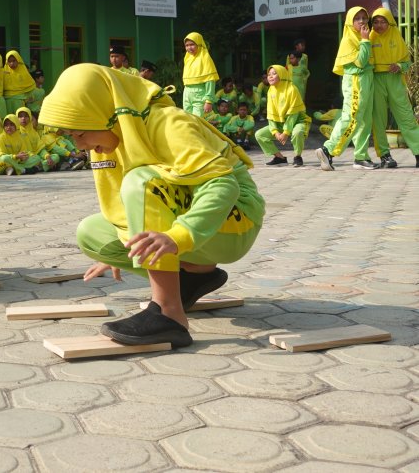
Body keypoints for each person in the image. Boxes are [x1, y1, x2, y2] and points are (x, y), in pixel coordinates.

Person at [39, 64, 264, 348]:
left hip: (237, 219)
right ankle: (192, 277)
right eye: (72, 136)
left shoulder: (167, 122)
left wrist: (177, 236)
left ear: (105, 114)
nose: (81, 145)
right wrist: (121, 244)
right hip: (195, 217)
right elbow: (121, 205)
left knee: (141, 182)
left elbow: (223, 186)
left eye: (81, 134)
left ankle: (169, 315)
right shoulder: (110, 138)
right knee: (92, 233)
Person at [315, 7, 377, 171]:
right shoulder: (349, 39)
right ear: (350, 22)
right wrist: (365, 40)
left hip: (367, 79)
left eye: (365, 17)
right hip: (356, 80)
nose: (362, 21)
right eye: (358, 19)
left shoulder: (364, 37)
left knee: (365, 120)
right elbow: (361, 62)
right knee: (351, 117)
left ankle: (361, 156)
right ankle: (328, 150)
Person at [368, 7, 419, 168]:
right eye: (375, 22)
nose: (379, 25)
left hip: (395, 81)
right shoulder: (369, 37)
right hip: (376, 80)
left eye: (383, 22)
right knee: (379, 120)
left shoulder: (397, 37)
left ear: (390, 22)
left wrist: (399, 66)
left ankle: (418, 152)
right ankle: (385, 155)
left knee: (406, 117)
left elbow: (407, 62)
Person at [254, 65, 309, 167]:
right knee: (259, 135)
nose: (270, 77)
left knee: (298, 132)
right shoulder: (271, 90)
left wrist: (286, 132)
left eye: (274, 74)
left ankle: (298, 156)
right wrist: (275, 132)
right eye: (269, 74)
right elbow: (270, 114)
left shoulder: (292, 89)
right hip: (280, 124)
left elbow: (294, 114)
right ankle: (280, 158)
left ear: (282, 75)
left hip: (297, 122)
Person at [182, 32, 219, 117]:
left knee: (197, 121)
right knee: (187, 120)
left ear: (199, 44)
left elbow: (210, 81)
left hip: (200, 95)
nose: (189, 47)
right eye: (187, 45)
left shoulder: (205, 58)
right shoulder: (187, 58)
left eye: (192, 44)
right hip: (187, 93)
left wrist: (208, 101)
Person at [17, 106, 58, 172]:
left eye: (26, 116)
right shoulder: (16, 132)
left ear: (30, 117)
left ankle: (35, 168)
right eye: (20, 116)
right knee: (37, 159)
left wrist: (48, 157)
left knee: (55, 157)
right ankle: (39, 167)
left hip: (35, 158)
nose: (23, 118)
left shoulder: (34, 133)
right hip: (23, 158)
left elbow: (40, 149)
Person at [3, 50, 35, 115]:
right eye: (9, 61)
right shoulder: (3, 72)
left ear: (18, 60)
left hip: (19, 100)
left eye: (14, 61)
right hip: (7, 100)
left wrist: (25, 98)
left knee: (19, 120)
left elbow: (31, 85)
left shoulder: (23, 72)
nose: (12, 63)